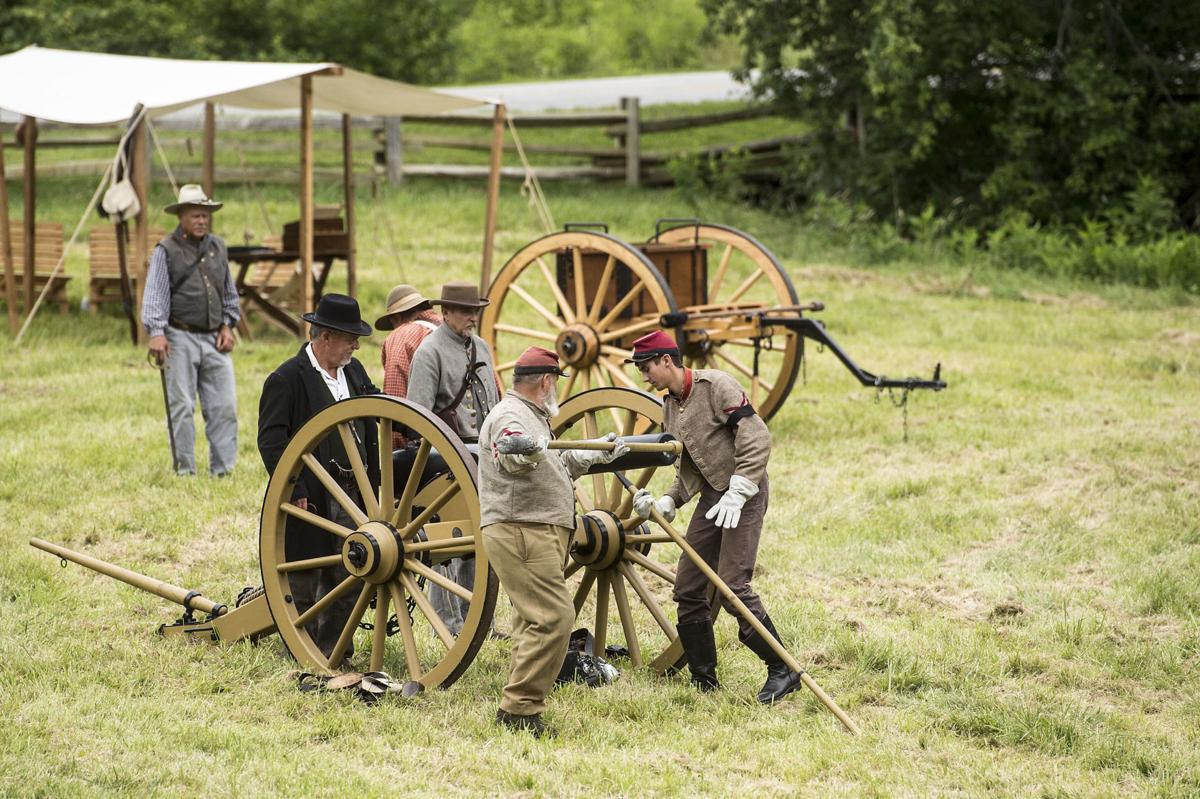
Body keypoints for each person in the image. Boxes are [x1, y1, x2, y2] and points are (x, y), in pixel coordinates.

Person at [628, 330, 801, 704]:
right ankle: (703, 679)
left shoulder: (716, 385)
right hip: (711, 498)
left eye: (647, 368)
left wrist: (739, 490)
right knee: (688, 587)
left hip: (745, 493)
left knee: (733, 586)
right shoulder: (670, 406)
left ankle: (783, 669)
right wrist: (669, 500)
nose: (645, 377)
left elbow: (756, 437)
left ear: (667, 361)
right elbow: (688, 464)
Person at [478, 346, 628, 736]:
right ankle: (520, 710)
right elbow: (510, 451)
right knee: (554, 617)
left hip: (534, 528)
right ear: (546, 382)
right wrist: (523, 448)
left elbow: (554, 465)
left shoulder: (533, 417)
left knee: (532, 620)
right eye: (555, 382)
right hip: (521, 528)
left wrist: (597, 454)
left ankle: (519, 707)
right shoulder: (511, 416)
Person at [257, 294, 380, 662]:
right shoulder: (287, 379)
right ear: (325, 337)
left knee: (354, 569)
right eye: (349, 338)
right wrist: (294, 486)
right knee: (306, 575)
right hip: (312, 494)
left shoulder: (353, 371)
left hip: (354, 491)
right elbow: (272, 440)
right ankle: (302, 649)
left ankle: (334, 646)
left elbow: (372, 403)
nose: (356, 345)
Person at [406, 281, 502, 634]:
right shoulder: (429, 352)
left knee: (481, 538)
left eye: (474, 311)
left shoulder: (481, 347)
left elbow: (491, 397)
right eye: (464, 311)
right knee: (447, 541)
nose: (471, 317)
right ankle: (447, 623)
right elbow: (417, 414)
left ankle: (478, 620)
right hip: (445, 454)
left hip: (482, 452)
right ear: (445, 312)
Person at [140, 184, 239, 476]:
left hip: (214, 337)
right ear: (182, 216)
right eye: (195, 215)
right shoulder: (165, 250)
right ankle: (185, 470)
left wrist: (228, 325)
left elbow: (229, 293)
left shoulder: (218, 247)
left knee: (224, 407)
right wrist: (157, 333)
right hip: (179, 336)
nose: (201, 220)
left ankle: (223, 471)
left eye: (205, 215)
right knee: (182, 407)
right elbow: (155, 294)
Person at [376, 284, 441, 449]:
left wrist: (396, 451)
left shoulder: (401, 336)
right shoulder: (454, 329)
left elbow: (396, 399)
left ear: (395, 318)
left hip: (430, 441)